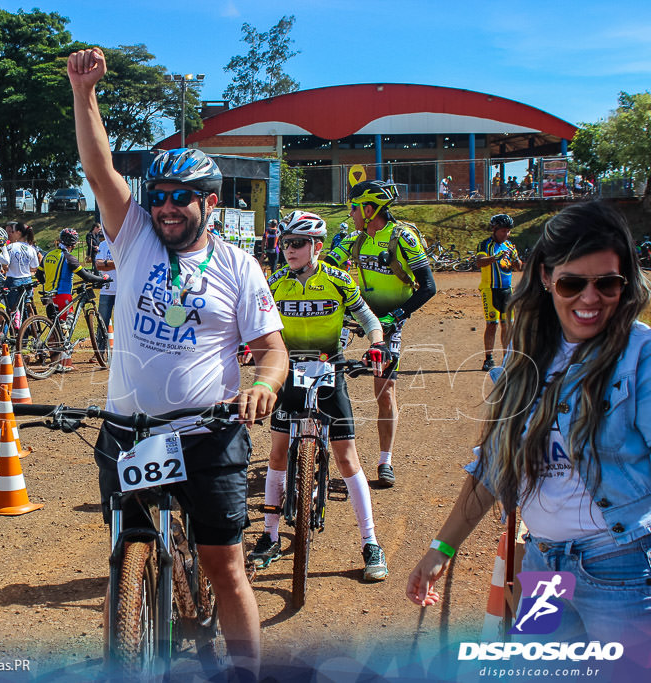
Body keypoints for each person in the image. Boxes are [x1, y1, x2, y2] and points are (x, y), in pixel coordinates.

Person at [69, 46, 288, 680]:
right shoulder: (133, 236)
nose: (166, 206)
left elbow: (271, 351)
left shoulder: (238, 268)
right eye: (158, 194)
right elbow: (99, 168)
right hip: (126, 435)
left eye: (181, 197)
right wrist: (84, 94)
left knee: (224, 567)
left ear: (209, 203)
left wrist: (263, 387)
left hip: (208, 435)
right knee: (123, 555)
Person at [407, 202, 651, 670]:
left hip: (622, 570)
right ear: (545, 276)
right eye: (572, 283)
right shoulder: (528, 355)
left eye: (608, 283)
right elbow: (495, 464)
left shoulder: (639, 357)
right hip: (543, 565)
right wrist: (441, 548)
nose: (591, 298)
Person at [247, 211, 391, 581]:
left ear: (318, 247)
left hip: (330, 369)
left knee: (346, 457)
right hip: (288, 371)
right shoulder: (275, 282)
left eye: (297, 243)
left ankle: (370, 541)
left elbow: (370, 319)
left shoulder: (339, 281)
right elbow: (253, 324)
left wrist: (377, 344)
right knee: (277, 452)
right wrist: (247, 347)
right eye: (285, 243)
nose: (288, 250)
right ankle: (270, 535)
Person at [324, 180, 436, 488]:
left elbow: (428, 286)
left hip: (388, 321)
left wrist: (396, 316)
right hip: (354, 314)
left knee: (384, 392)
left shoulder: (404, 238)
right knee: (320, 368)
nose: (351, 212)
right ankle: (315, 440)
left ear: (369, 209)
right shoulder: (353, 238)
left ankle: (385, 460)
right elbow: (325, 265)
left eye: (355, 207)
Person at [476, 213, 523, 371]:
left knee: (507, 324)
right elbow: (479, 262)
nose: (506, 234)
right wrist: (494, 258)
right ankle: (488, 358)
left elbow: (519, 267)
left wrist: (516, 260)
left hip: (507, 290)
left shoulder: (510, 246)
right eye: (503, 231)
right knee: (492, 324)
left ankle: (507, 357)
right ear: (494, 230)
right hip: (490, 289)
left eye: (508, 231)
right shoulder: (485, 245)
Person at [41, 227, 108, 323]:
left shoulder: (48, 254)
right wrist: (101, 279)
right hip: (62, 295)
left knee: (54, 327)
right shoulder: (69, 258)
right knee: (67, 324)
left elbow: (39, 275)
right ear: (73, 243)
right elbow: (86, 277)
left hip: (48, 295)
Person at [4, 222, 40, 322]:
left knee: (12, 309)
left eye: (13, 231)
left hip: (13, 279)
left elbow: (5, 266)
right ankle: (26, 331)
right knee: (26, 307)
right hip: (27, 280)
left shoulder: (10, 247)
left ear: (18, 233)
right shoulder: (31, 248)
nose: (10, 234)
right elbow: (34, 267)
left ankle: (15, 331)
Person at [93, 233, 116, 328]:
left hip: (123, 291)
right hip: (106, 290)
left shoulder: (126, 244)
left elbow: (128, 264)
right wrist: (117, 263)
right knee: (102, 325)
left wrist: (106, 264)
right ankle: (101, 343)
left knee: (124, 324)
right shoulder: (103, 244)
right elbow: (98, 265)